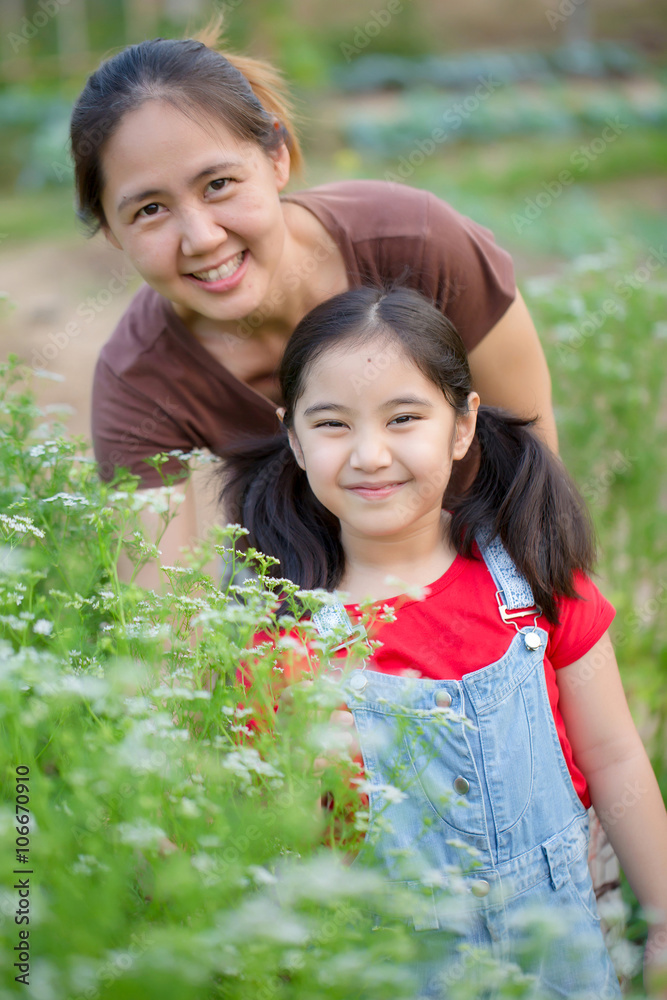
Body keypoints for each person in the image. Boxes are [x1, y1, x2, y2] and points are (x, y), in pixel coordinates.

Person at [220, 285, 667, 998]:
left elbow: (614, 758)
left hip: (563, 962)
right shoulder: (280, 641)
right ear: (294, 439)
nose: (369, 454)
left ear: (462, 426)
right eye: (332, 425)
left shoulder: (536, 583)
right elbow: (281, 849)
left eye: (404, 418)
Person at [69, 16, 556, 574]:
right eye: (149, 209)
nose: (202, 238)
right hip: (312, 617)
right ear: (111, 230)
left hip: (484, 578)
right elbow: (165, 621)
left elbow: (535, 491)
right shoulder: (140, 381)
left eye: (219, 184)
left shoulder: (416, 244)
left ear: (277, 158)